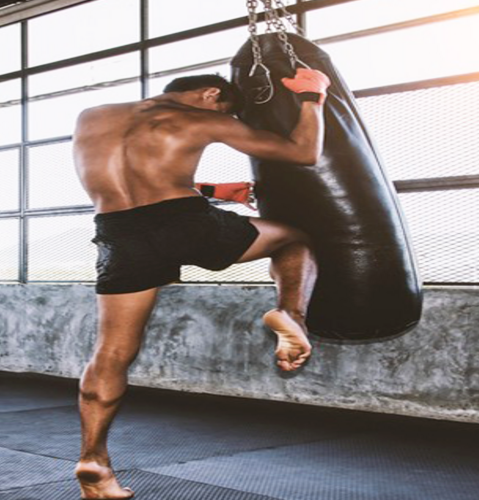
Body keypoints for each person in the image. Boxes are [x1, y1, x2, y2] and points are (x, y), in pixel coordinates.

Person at [71, 69, 331, 500]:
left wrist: (211, 189)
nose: (227, 115)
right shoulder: (206, 120)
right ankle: (290, 311)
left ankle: (93, 459)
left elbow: (134, 174)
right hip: (184, 223)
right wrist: (313, 96)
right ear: (211, 94)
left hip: (119, 232)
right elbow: (304, 152)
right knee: (294, 240)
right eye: (226, 107)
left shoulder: (92, 116)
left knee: (111, 352)